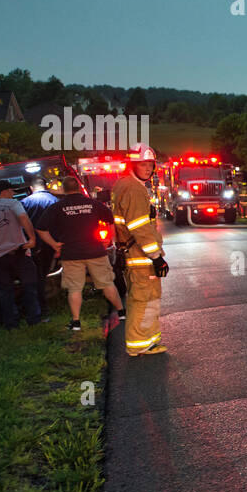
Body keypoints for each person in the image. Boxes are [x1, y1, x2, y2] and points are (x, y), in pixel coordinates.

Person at [38, 184, 125, 332]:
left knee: (74, 288)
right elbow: (111, 219)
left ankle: (76, 322)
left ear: (64, 190)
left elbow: (40, 228)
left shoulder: (57, 207)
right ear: (78, 187)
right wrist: (109, 239)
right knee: (107, 283)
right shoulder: (93, 203)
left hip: (71, 254)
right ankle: (122, 312)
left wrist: (54, 244)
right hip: (96, 251)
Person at [112, 144, 168, 356]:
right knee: (144, 300)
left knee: (148, 298)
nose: (147, 169)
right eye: (142, 164)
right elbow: (139, 227)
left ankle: (149, 341)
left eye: (150, 165)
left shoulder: (123, 184)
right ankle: (140, 345)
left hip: (134, 254)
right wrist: (156, 257)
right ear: (132, 165)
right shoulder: (134, 188)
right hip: (140, 256)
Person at [0, 179, 42, 329]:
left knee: (5, 292)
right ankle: (34, 320)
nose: (13, 194)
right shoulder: (13, 204)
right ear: (4, 192)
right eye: (11, 191)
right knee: (29, 285)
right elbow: (24, 219)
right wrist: (32, 238)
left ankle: (11, 324)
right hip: (18, 251)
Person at [21, 175, 60, 316]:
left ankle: (39, 306)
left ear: (31, 188)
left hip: (33, 245)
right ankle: (44, 305)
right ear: (46, 186)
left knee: (36, 276)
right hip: (52, 244)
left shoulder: (24, 202)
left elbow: (21, 225)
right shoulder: (55, 201)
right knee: (43, 275)